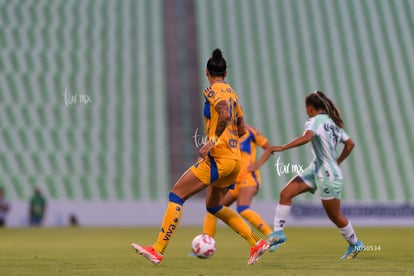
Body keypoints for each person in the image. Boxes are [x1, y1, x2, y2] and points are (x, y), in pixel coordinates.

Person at [132, 49, 269, 265]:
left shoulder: (213, 91)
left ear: (207, 71)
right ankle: (256, 242)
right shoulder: (233, 93)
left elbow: (223, 114)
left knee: (177, 195)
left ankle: (157, 250)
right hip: (235, 161)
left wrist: (212, 139)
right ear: (225, 72)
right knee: (214, 207)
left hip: (219, 157)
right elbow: (242, 128)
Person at [267, 91, 364, 259]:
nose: (306, 111)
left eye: (306, 108)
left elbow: (307, 138)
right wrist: (336, 161)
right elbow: (350, 144)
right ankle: (278, 234)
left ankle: (356, 244)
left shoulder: (314, 121)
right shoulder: (333, 124)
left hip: (327, 175)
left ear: (311, 108)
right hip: (316, 169)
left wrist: (282, 148)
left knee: (334, 215)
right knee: (286, 193)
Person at [201, 125, 273, 242]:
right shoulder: (222, 134)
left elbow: (268, 148)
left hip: (248, 178)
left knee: (243, 208)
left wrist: (258, 164)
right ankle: (205, 241)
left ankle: (271, 235)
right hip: (232, 180)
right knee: (213, 209)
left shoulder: (250, 132)